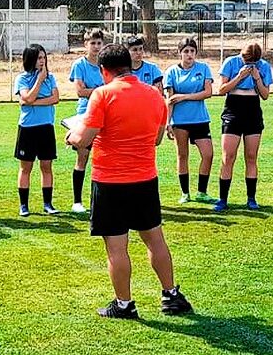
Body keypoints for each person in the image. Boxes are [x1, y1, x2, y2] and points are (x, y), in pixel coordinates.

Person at [65, 43, 193, 319]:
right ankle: (170, 295)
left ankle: (124, 304)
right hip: (145, 179)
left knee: (116, 245)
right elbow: (157, 139)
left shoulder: (102, 95)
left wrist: (72, 134)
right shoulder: (154, 96)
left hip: (110, 181)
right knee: (155, 239)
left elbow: (83, 139)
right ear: (129, 65)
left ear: (103, 70)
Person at [214, 42, 272, 211]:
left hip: (252, 110)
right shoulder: (231, 62)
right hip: (233, 108)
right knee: (228, 156)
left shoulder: (264, 66)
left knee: (251, 156)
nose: (249, 65)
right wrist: (239, 77)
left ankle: (251, 198)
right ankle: (222, 199)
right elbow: (221, 90)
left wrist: (257, 78)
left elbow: (265, 95)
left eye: (253, 62)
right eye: (247, 61)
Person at [163, 37, 216, 203]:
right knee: (182, 155)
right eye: (186, 51)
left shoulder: (203, 68)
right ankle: (185, 193)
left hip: (200, 119)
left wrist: (184, 96)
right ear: (180, 53)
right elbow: (170, 100)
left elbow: (208, 92)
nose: (189, 54)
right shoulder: (172, 72)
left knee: (208, 154)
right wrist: (168, 123)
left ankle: (202, 191)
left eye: (192, 51)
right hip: (180, 121)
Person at [15, 44, 60, 216]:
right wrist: (39, 81)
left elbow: (55, 98)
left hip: (46, 127)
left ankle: (47, 203)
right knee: (26, 167)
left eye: (43, 58)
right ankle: (24, 205)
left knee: (46, 166)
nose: (42, 61)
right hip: (28, 128)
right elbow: (27, 96)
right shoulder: (22, 79)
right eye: (38, 58)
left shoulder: (52, 78)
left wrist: (32, 102)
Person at [68, 28, 105, 214]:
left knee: (104, 159)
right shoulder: (79, 65)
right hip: (86, 114)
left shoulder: (105, 64)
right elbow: (80, 91)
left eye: (99, 43)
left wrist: (94, 90)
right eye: (93, 43)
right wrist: (100, 91)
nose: (96, 47)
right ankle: (77, 201)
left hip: (106, 114)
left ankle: (100, 200)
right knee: (83, 157)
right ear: (86, 45)